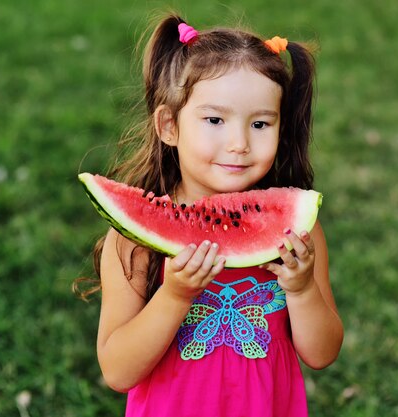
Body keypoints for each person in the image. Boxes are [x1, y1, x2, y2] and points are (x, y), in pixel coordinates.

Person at [82, 13, 343, 417]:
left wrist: (303, 289)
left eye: (260, 123)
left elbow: (322, 353)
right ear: (170, 126)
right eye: (215, 120)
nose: (238, 143)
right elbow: (117, 371)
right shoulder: (133, 242)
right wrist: (174, 295)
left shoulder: (296, 236)